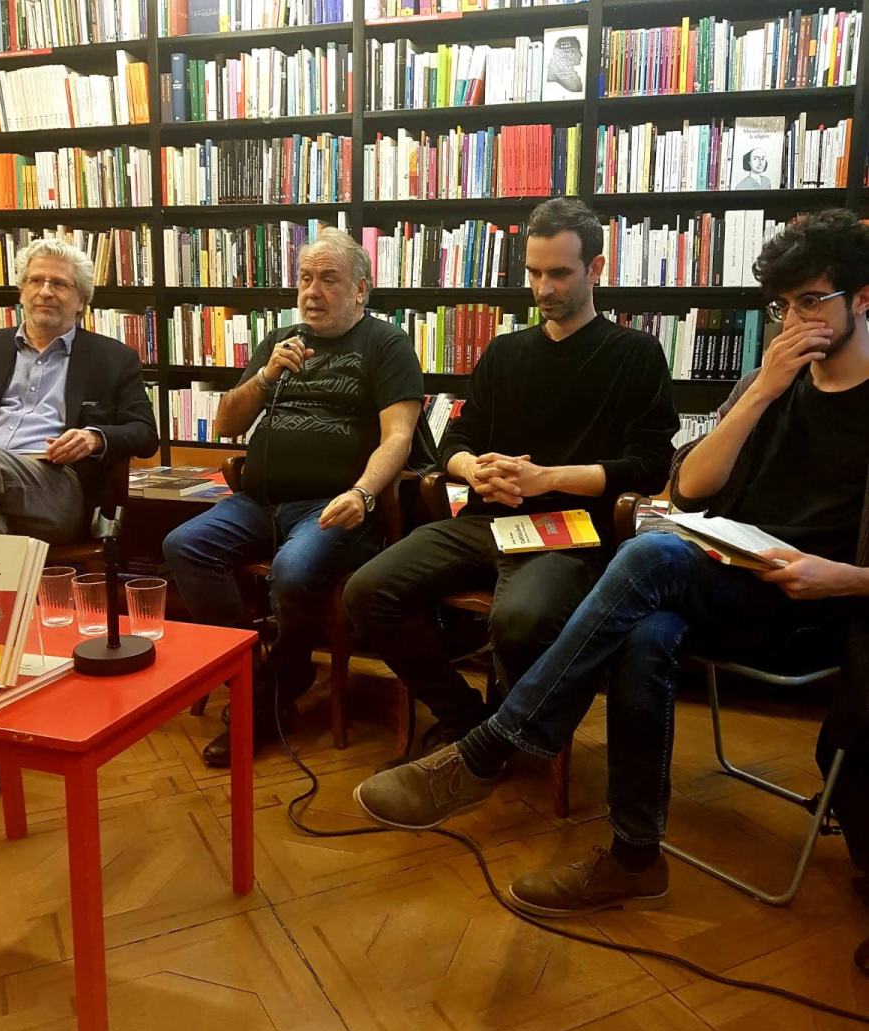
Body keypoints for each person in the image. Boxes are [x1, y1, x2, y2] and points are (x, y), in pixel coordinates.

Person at [353, 208, 869, 914]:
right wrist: (761, 392)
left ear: (862, 298)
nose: (793, 323)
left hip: (819, 604)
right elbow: (689, 488)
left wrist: (843, 578)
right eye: (782, 307)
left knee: (649, 552)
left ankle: (491, 748)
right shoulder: (771, 383)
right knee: (645, 632)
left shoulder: (634, 355)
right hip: (735, 581)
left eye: (811, 301)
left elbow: (648, 469)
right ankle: (634, 857)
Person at [344, 197, 678, 762]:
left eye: (559, 273)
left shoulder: (635, 354)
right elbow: (455, 440)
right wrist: (472, 468)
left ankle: (515, 731)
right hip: (486, 520)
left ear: (596, 268)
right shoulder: (505, 352)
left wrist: (546, 477)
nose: (543, 289)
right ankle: (467, 718)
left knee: (520, 618)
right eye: (534, 273)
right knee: (366, 590)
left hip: (568, 532)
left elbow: (649, 467)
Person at [163, 228, 423, 768]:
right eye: (305, 279)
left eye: (328, 279)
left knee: (294, 568)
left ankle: (277, 683)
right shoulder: (282, 341)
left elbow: (397, 437)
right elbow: (228, 423)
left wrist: (362, 493)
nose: (312, 292)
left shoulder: (385, 343)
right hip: (258, 501)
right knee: (184, 545)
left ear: (361, 289)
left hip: (331, 504)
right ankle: (260, 678)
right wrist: (265, 375)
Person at [0, 237, 160, 802]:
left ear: (82, 300)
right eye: (36, 280)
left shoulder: (111, 358)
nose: (46, 291)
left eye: (60, 284)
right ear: (20, 291)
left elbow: (144, 433)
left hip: (55, 488)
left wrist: (96, 437)